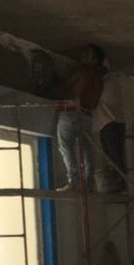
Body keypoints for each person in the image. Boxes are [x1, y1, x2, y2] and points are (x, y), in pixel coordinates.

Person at [53, 44, 105, 191]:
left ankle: (73, 181)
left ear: (95, 60)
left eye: (87, 54)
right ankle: (89, 183)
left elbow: (66, 87)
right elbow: (94, 102)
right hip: (87, 115)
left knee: (65, 146)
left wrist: (56, 91)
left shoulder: (82, 71)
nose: (82, 56)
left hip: (70, 112)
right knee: (86, 149)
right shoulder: (100, 78)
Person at [92, 57, 127, 193]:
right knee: (113, 153)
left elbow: (96, 99)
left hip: (109, 122)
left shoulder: (108, 82)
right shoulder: (113, 81)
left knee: (112, 152)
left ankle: (119, 181)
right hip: (113, 121)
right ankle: (119, 181)